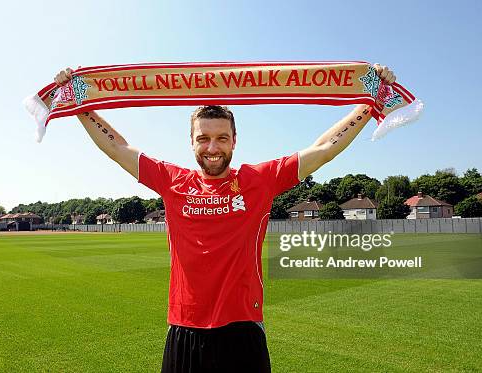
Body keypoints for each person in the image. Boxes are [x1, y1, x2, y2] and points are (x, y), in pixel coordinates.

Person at [54, 64, 396, 373]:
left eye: (221, 138)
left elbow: (323, 149)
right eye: (203, 138)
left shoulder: (259, 180)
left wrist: (368, 105)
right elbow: (117, 148)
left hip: (242, 329)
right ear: (191, 142)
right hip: (184, 327)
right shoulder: (172, 181)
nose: (212, 147)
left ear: (234, 141)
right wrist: (79, 104)